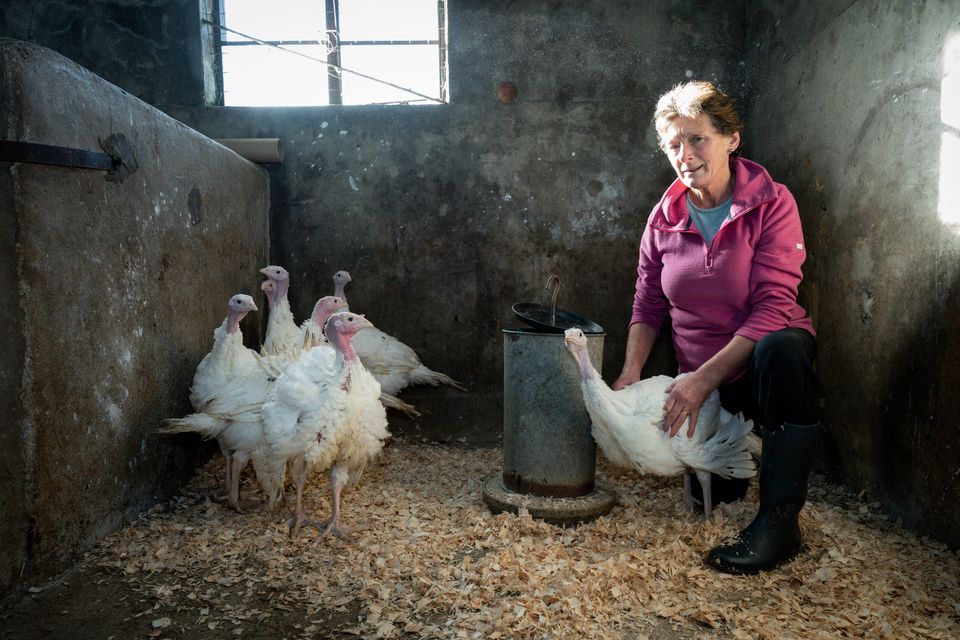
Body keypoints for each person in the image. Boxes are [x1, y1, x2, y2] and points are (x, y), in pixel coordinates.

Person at [612, 81, 819, 574]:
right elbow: (648, 302)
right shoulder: (663, 219)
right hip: (701, 385)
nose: (685, 155)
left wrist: (700, 382)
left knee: (782, 348)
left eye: (697, 139)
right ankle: (738, 471)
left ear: (731, 139)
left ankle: (780, 524)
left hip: (752, 373)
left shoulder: (772, 203)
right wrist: (630, 373)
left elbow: (773, 306)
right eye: (673, 145)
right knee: (721, 493)